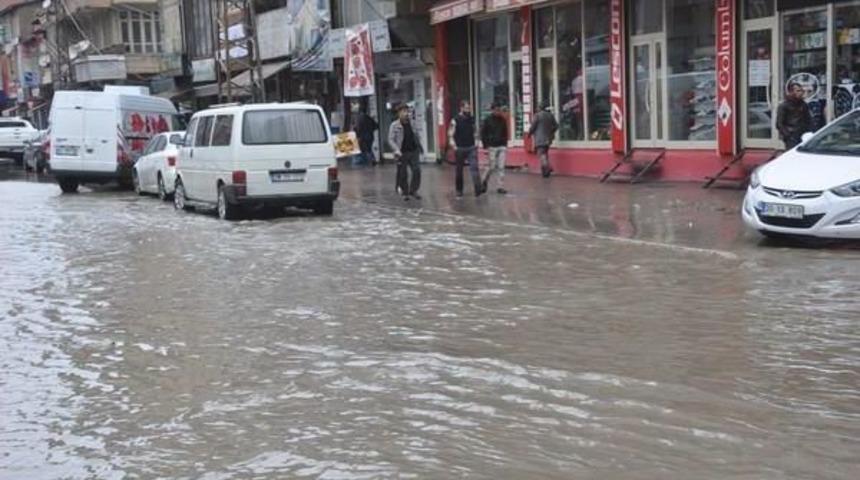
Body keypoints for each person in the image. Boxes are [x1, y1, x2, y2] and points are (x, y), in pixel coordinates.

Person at [388, 104, 423, 200]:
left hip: (413, 150)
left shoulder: (412, 123)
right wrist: (396, 150)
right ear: (399, 113)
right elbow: (390, 139)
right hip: (402, 152)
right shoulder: (394, 125)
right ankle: (405, 192)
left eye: (407, 111)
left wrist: (419, 146)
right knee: (403, 173)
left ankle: (413, 190)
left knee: (417, 170)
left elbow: (416, 135)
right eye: (404, 112)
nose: (406, 114)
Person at [449, 100, 482, 198]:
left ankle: (478, 189)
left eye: (469, 108)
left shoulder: (471, 119)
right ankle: (459, 190)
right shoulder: (455, 120)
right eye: (466, 108)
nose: (468, 110)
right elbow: (450, 134)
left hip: (471, 147)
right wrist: (454, 146)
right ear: (461, 108)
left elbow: (475, 130)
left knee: (474, 168)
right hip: (460, 148)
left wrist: (476, 141)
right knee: (459, 170)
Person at [480, 101, 510, 194]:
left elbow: (505, 132)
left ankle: (500, 186)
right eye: (496, 110)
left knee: (501, 167)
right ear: (492, 110)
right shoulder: (487, 120)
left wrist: (505, 144)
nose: (498, 111)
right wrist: (486, 145)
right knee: (491, 167)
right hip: (491, 146)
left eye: (499, 110)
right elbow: (483, 133)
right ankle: (484, 180)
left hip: (501, 146)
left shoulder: (502, 120)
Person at [776, 82, 813, 150]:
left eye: (801, 91)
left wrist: (809, 131)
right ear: (791, 92)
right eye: (798, 91)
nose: (801, 93)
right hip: (791, 135)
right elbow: (779, 123)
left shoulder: (803, 104)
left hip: (802, 134)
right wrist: (787, 135)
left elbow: (808, 119)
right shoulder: (784, 106)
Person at [529, 100, 559, 178]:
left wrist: (529, 133)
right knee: (545, 154)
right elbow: (556, 126)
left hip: (539, 139)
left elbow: (533, 127)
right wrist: (551, 132)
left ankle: (548, 167)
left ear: (540, 107)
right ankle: (545, 173)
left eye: (538, 107)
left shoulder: (537, 116)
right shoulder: (550, 115)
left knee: (541, 154)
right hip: (548, 138)